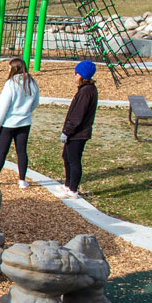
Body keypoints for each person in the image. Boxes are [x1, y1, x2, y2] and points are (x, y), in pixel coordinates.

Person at [0, 57, 41, 188]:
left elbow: (3, 107)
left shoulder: (10, 84)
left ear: (15, 69)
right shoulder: (32, 83)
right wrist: (26, 112)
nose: (8, 70)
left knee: (2, 152)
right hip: (24, 123)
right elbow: (35, 102)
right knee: (22, 151)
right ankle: (22, 180)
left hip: (8, 124)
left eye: (9, 67)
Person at [60, 60, 98, 199]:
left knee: (74, 160)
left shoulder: (86, 92)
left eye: (76, 73)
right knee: (67, 156)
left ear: (81, 75)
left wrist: (67, 131)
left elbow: (77, 115)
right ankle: (67, 184)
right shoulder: (87, 90)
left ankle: (73, 189)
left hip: (78, 133)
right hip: (77, 132)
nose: (74, 75)